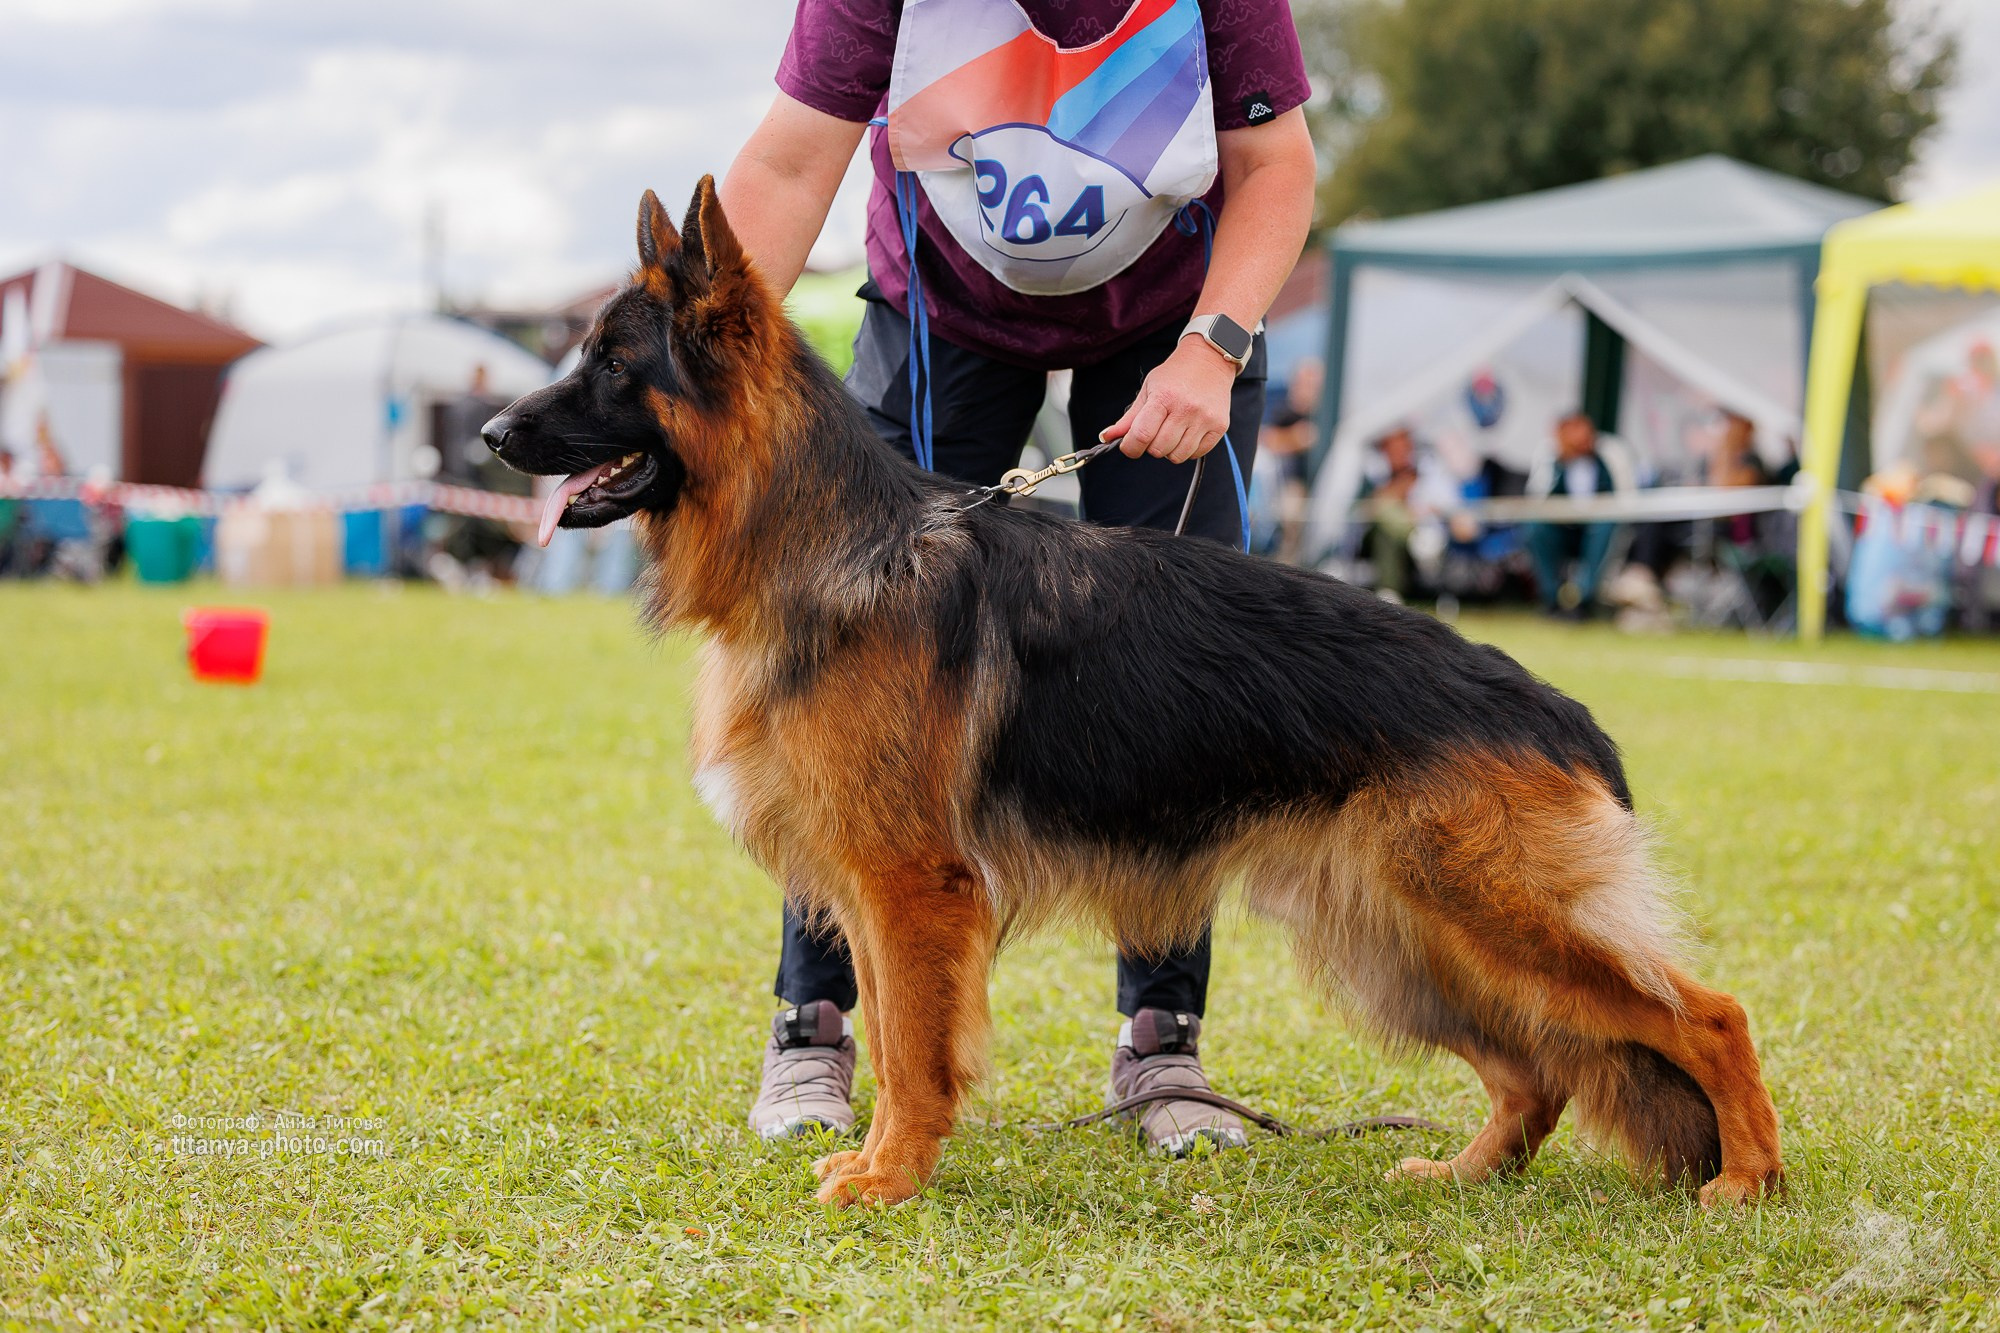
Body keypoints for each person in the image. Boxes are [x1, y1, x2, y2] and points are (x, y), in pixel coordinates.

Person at [720, 0, 1316, 1154]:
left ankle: (1162, 1041)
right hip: (943, 316)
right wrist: (705, 352)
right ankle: (814, 1028)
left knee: (1182, 674)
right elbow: (792, 161)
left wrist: (1216, 347)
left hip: (1170, 323)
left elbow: (1274, 164)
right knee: (855, 683)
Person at [1524, 410, 1632, 618]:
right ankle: (1551, 597)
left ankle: (1585, 598)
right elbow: (1536, 500)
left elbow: (1625, 498)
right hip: (1562, 530)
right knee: (1534, 528)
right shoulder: (1549, 456)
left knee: (1605, 526)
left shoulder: (1610, 454)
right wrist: (1557, 462)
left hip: (1596, 529)